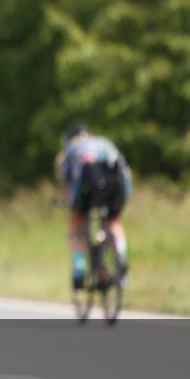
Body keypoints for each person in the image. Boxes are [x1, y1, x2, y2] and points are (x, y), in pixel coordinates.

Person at [55, 124, 132, 290]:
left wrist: (70, 203)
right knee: (113, 221)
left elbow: (68, 181)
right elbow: (126, 174)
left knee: (77, 222)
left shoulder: (71, 149)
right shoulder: (104, 142)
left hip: (90, 181)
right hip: (117, 183)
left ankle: (79, 269)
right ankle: (121, 257)